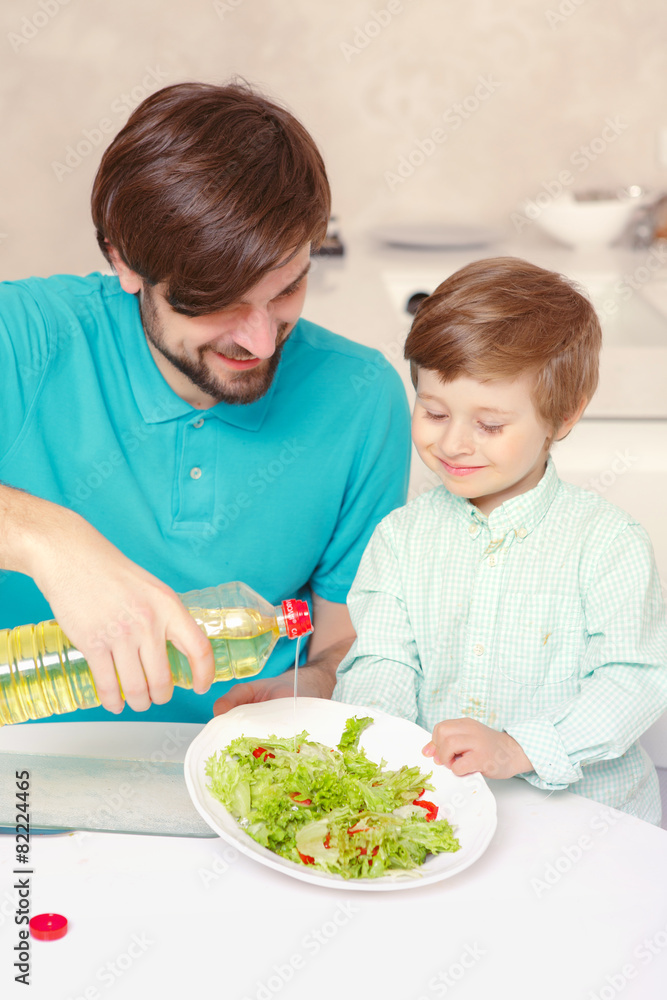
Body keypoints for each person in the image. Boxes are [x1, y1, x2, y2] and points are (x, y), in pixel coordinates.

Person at [0, 81, 410, 724]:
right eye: (217, 302)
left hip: (240, 782)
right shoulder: (23, 338)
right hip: (28, 775)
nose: (261, 338)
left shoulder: (362, 398)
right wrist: (48, 539)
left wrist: (320, 683)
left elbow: (342, 639)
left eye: (287, 288)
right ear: (123, 260)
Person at [333, 256, 667, 824]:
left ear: (562, 418)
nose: (455, 443)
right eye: (434, 411)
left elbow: (632, 681)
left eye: (489, 425)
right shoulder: (399, 539)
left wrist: (519, 747)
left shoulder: (608, 543)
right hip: (442, 816)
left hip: (587, 825)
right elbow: (382, 660)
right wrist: (377, 742)